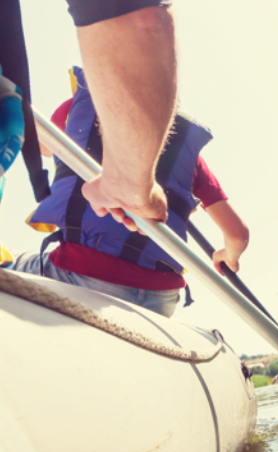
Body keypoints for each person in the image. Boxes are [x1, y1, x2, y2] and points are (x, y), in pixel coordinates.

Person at [10, 65, 249, 317]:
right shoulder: (190, 159)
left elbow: (40, 146)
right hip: (161, 297)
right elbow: (238, 235)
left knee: (10, 261)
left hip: (83, 274)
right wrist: (227, 256)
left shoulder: (79, 109)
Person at [0, 0, 181, 225]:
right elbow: (138, 22)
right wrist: (125, 182)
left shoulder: (69, 111)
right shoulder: (185, 155)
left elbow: (43, 148)